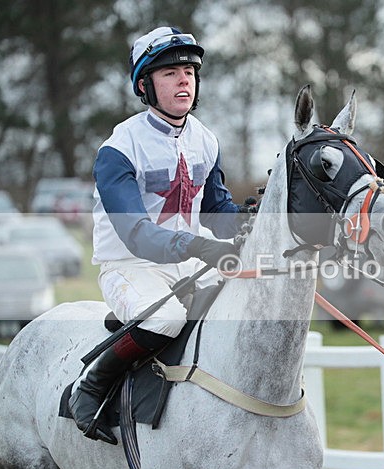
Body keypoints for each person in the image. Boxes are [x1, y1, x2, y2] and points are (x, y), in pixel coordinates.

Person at [69, 26, 253, 445]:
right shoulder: (118, 148)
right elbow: (136, 234)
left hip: (189, 261)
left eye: (189, 69)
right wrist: (203, 246)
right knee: (166, 318)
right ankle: (91, 386)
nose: (184, 78)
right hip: (130, 266)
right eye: (170, 72)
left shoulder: (206, 139)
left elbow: (217, 212)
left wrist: (252, 221)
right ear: (144, 85)